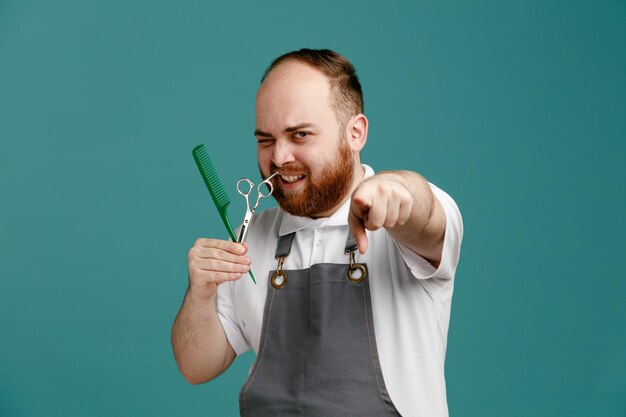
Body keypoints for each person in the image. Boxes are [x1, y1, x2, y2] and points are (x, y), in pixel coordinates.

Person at [171, 49, 463, 417]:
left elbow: (425, 214)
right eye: (265, 140)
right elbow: (196, 367)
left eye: (300, 135)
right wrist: (199, 293)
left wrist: (398, 189)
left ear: (355, 133)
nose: (279, 157)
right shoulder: (250, 238)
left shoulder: (403, 226)